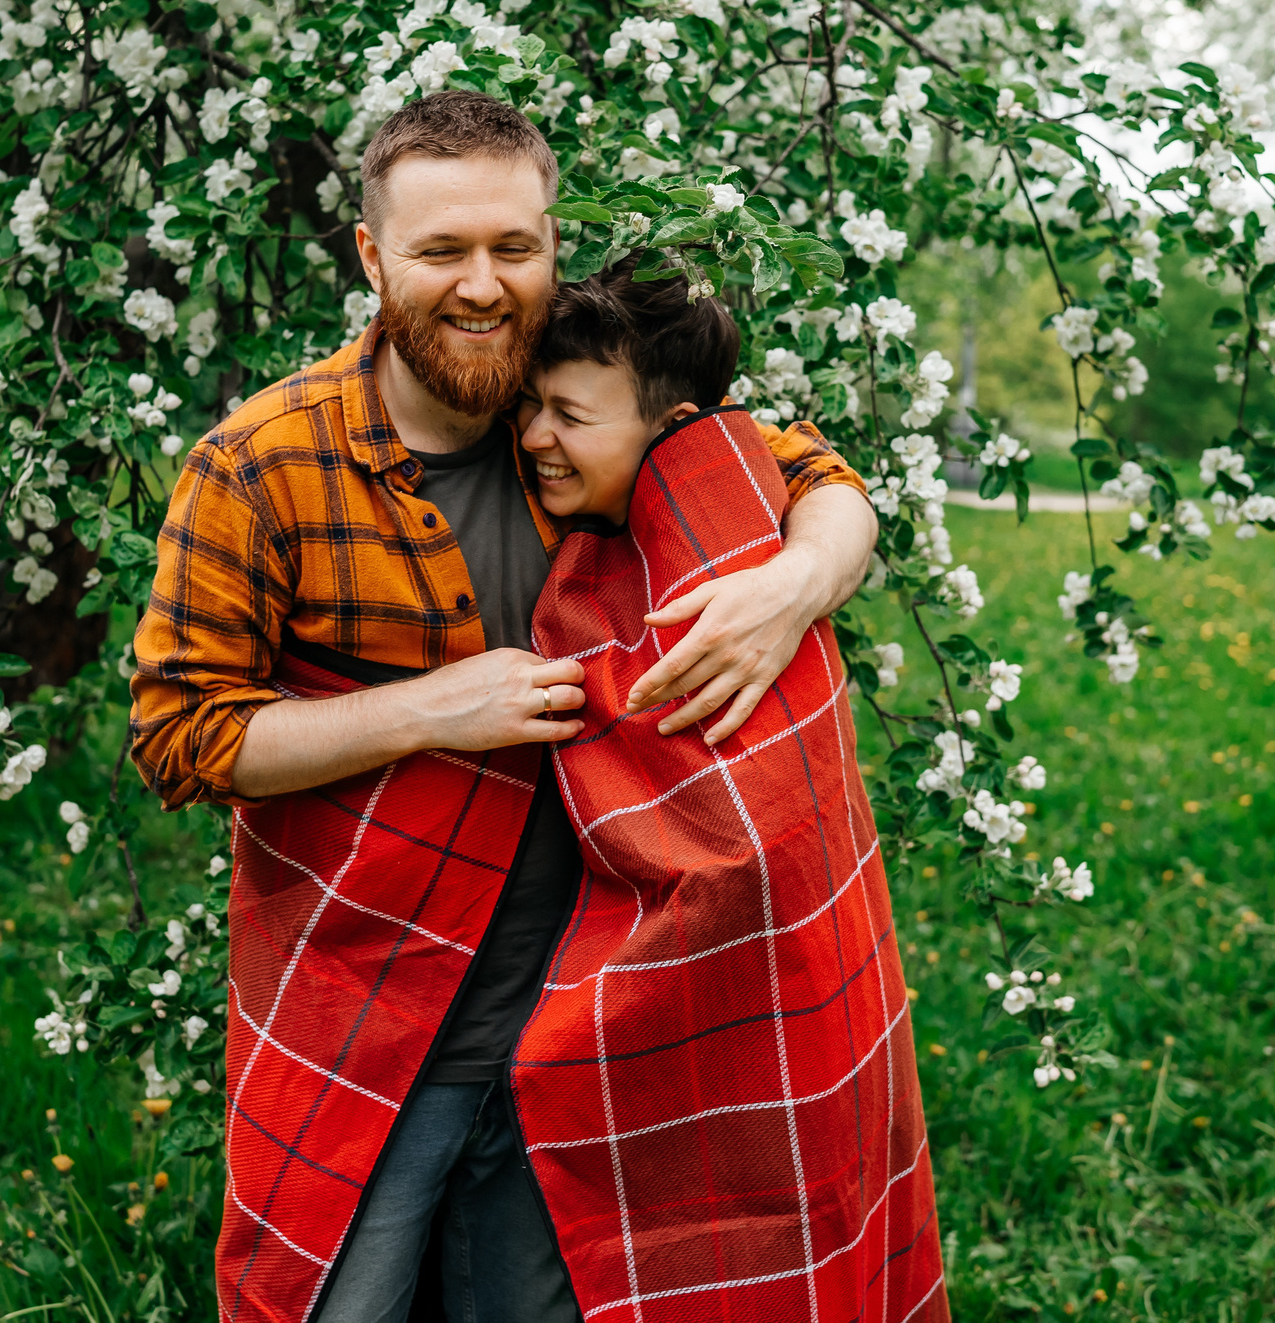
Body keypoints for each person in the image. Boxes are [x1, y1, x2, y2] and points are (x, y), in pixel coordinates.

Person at [129, 91, 882, 1323]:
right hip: (374, 1028)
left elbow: (809, 473)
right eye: (440, 252)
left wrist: (797, 583)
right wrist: (427, 711)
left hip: (582, 1033)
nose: (482, 287)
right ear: (373, 258)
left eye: (512, 250)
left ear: (547, 250)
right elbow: (179, 736)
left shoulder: (592, 411)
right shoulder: (260, 466)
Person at [508, 263, 946, 1323]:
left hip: (799, 982)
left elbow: (819, 473)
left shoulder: (740, 514)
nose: (532, 436)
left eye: (568, 414)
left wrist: (797, 580)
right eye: (530, 404)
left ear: (675, 428)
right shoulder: (519, 485)